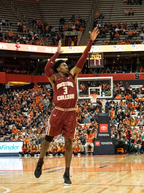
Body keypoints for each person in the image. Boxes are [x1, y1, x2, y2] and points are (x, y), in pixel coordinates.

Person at [34, 28, 99, 185]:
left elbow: (82, 59)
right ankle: (40, 161)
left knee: (69, 142)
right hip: (58, 112)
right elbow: (45, 69)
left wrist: (90, 41)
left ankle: (67, 173)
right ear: (58, 69)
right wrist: (56, 54)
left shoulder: (73, 74)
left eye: (65, 64)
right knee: (48, 138)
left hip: (70, 113)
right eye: (63, 64)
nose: (66, 65)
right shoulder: (54, 79)